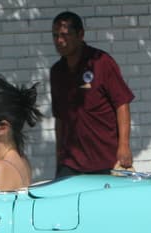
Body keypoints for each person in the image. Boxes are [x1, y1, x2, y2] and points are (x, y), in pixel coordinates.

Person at [49, 11, 134, 176]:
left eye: (65, 35)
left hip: (104, 159)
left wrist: (124, 145)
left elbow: (122, 103)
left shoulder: (101, 63)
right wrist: (59, 154)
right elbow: (60, 118)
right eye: (55, 36)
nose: (59, 41)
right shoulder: (57, 72)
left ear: (80, 34)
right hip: (70, 162)